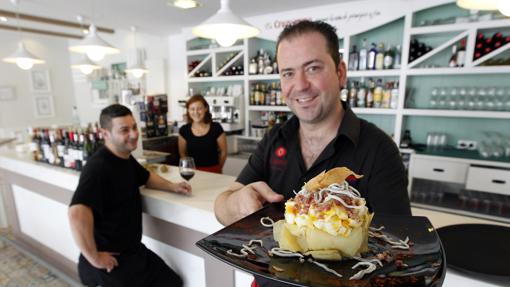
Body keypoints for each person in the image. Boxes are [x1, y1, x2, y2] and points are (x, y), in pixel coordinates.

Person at [214, 20, 411, 287]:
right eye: (288, 73)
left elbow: (398, 252)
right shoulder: (274, 138)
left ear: (340, 72)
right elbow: (222, 205)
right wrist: (236, 204)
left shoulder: (379, 149)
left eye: (313, 68)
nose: (301, 85)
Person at [68, 104, 191, 287]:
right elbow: (76, 214)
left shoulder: (124, 158)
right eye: (124, 130)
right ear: (106, 134)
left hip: (133, 252)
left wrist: (172, 187)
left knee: (172, 282)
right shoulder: (99, 167)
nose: (133, 134)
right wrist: (95, 258)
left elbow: (146, 177)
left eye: (134, 127)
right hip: (110, 261)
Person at [178, 94, 227, 173]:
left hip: (214, 172)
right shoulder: (184, 130)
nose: (196, 112)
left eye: (199, 108)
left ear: (206, 109)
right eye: (192, 109)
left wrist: (218, 169)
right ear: (188, 110)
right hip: (192, 172)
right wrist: (188, 169)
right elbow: (183, 154)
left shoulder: (216, 128)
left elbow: (224, 152)